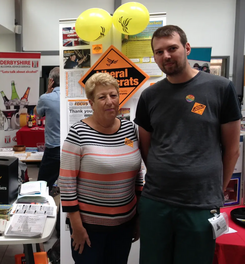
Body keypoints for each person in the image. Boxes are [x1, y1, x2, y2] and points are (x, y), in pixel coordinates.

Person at [134, 25, 241, 264]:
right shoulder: (150, 96)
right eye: (159, 52)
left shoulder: (221, 88)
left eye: (172, 48)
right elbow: (146, 147)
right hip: (156, 202)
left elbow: (232, 149)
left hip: (200, 203)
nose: (166, 56)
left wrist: (216, 190)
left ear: (187, 48)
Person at [60, 72, 143, 264]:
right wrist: (77, 227)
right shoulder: (78, 133)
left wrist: (137, 217)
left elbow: (137, 175)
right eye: (102, 97)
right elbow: (66, 181)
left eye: (113, 95)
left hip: (124, 224)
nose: (109, 101)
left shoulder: (129, 129)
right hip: (89, 227)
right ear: (91, 103)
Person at [34, 67, 60, 190]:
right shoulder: (73, 96)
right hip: (74, 148)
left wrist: (47, 92)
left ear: (51, 81)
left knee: (43, 185)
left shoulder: (46, 98)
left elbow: (37, 113)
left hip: (54, 149)